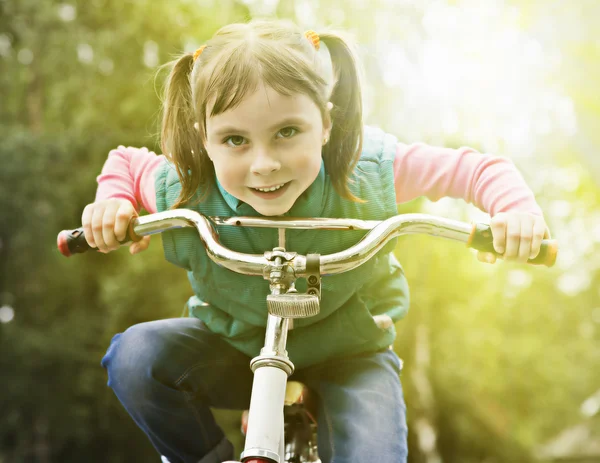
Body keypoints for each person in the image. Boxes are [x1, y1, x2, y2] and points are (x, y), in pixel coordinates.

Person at [84, 19, 549, 463]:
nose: (264, 164)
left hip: (349, 350)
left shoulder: (363, 172)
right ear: (203, 137)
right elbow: (125, 164)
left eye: (287, 132)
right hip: (236, 345)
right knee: (135, 358)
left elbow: (478, 170)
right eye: (234, 140)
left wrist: (515, 213)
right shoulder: (185, 185)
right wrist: (114, 203)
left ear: (325, 125)